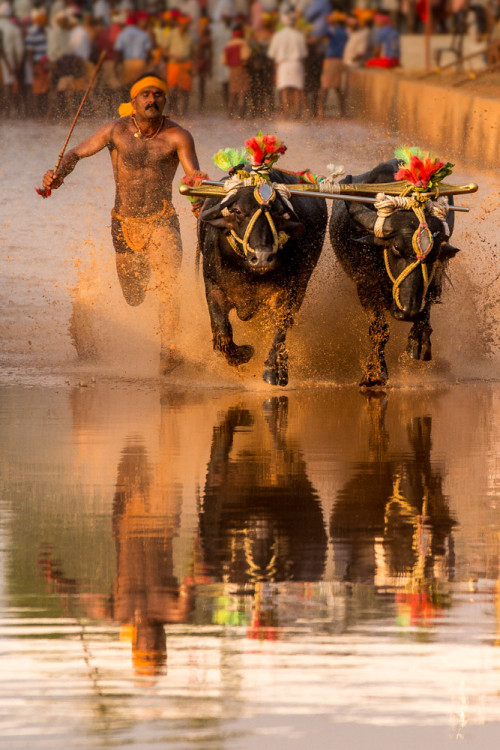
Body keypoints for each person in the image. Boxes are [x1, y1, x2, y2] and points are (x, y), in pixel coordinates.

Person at [41, 72, 203, 375]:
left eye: (157, 94)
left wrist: (199, 203)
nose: (152, 99)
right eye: (146, 94)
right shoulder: (115, 131)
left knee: (168, 286)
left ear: (165, 100)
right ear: (133, 101)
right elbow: (76, 153)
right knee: (133, 296)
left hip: (162, 221)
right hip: (124, 224)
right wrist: (58, 176)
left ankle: (170, 354)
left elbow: (193, 177)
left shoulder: (178, 136)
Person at [267, 12, 308, 119]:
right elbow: (304, 53)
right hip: (296, 63)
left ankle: (286, 112)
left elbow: (271, 53)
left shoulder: (277, 35)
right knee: (297, 89)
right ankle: (297, 112)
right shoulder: (299, 35)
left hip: (283, 64)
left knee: (284, 89)